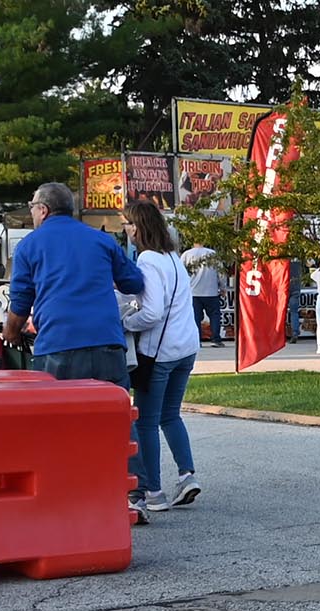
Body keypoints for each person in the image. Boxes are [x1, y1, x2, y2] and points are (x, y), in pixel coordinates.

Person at [4, 182, 145, 385]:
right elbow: (133, 283)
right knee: (111, 413)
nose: (32, 212)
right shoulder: (102, 240)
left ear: (43, 210)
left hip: (58, 345)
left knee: (60, 414)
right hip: (107, 344)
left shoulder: (28, 246)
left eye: (32, 207)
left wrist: (11, 332)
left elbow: (20, 303)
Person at [119, 199, 203, 515]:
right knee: (171, 415)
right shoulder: (173, 258)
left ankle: (153, 491)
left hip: (159, 352)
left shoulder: (148, 261)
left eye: (127, 224)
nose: (125, 229)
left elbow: (152, 312)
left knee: (146, 423)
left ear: (137, 227)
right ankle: (187, 475)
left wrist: (125, 321)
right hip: (186, 346)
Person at [182, 241, 224, 347]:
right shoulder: (213, 254)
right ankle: (216, 339)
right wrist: (222, 287)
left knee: (195, 317)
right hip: (211, 291)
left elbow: (181, 273)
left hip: (193, 292)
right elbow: (221, 272)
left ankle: (197, 340)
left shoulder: (187, 255)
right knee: (215, 316)